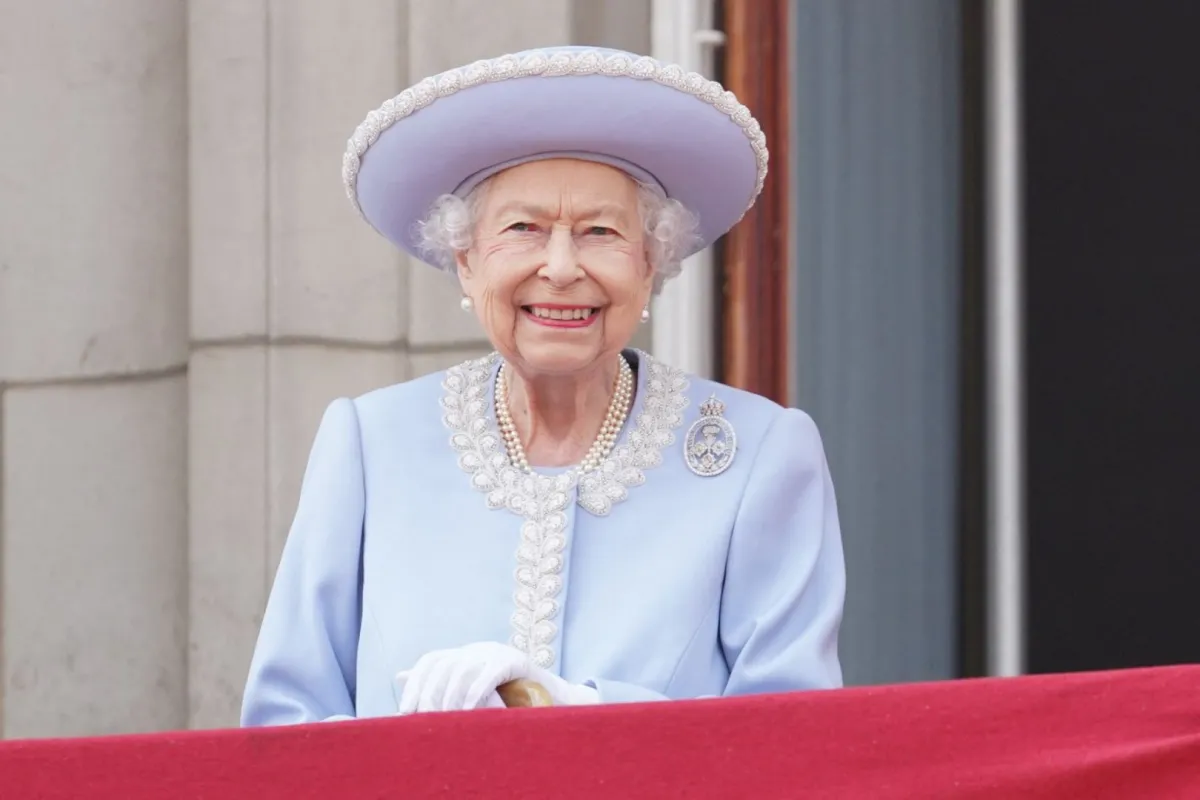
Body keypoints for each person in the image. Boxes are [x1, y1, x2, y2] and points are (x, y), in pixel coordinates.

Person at [241, 45, 846, 725]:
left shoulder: (759, 455)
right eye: (523, 228)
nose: (560, 267)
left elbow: (794, 736)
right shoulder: (370, 445)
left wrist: (580, 712)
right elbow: (284, 724)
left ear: (651, 266)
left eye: (600, 232)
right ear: (465, 262)